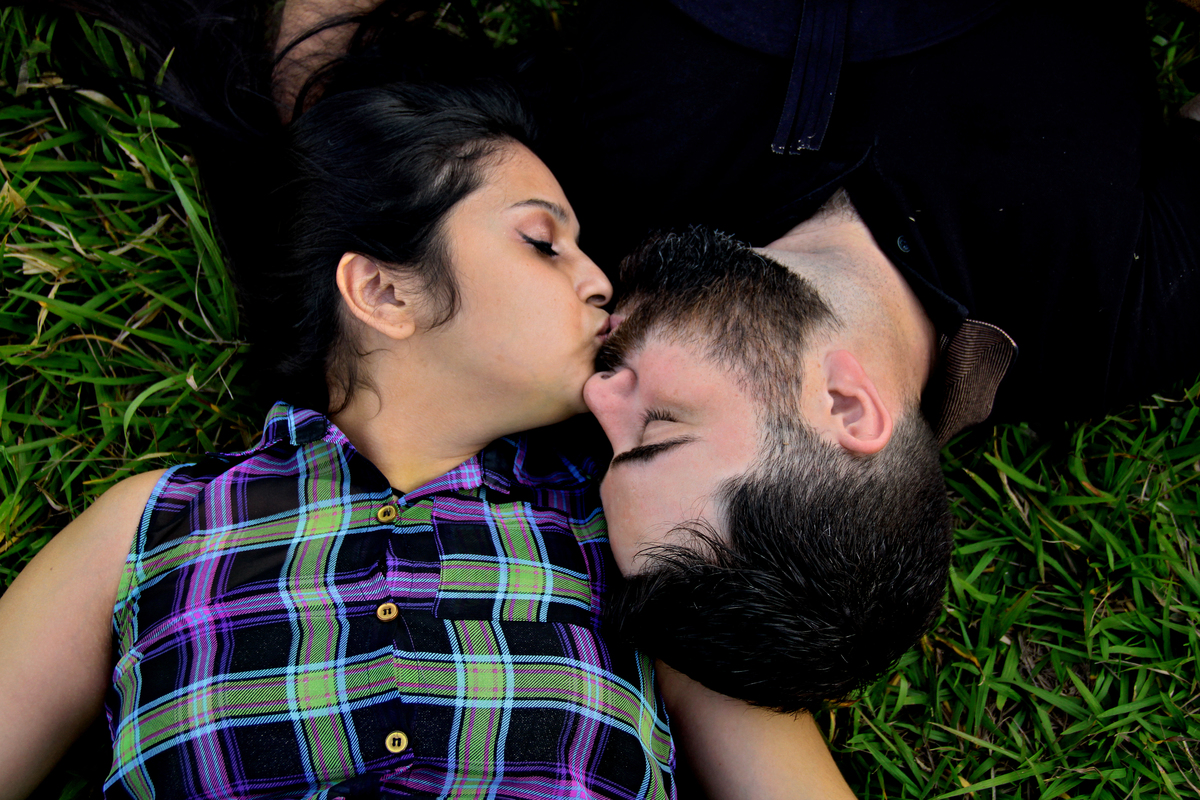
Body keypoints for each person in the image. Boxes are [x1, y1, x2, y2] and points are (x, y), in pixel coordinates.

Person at [1, 2, 862, 799]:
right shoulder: (149, 525)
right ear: (383, 292)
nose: (601, 282)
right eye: (542, 242)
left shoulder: (640, 536)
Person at [519, 0, 1200, 713]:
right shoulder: (1108, 314)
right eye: (656, 427)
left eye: (610, 441)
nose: (599, 395)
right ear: (846, 404)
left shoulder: (592, 217)